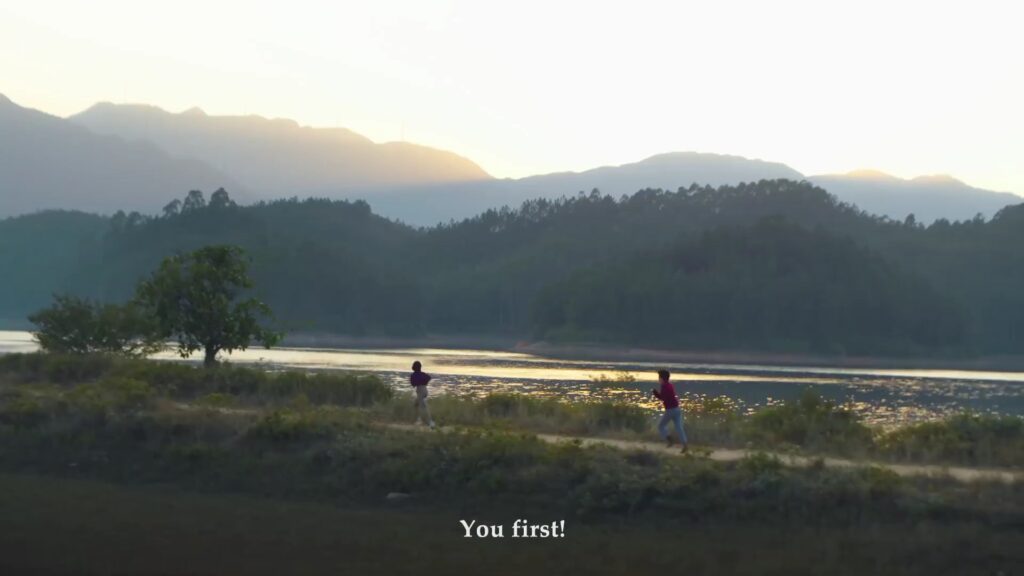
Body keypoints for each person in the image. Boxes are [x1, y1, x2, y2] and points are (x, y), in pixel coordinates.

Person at [651, 369, 687, 453]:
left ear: (662, 378)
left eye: (659, 377)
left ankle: (670, 440)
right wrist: (657, 394)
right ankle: (685, 445)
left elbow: (663, 398)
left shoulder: (665, 387)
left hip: (670, 410)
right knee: (679, 428)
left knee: (661, 426)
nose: (658, 379)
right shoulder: (670, 385)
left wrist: (655, 393)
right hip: (676, 409)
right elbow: (665, 397)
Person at [410, 360, 435, 429]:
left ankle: (430, 422)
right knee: (416, 405)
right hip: (424, 390)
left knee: (423, 406)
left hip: (420, 391)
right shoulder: (422, 374)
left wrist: (418, 383)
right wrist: (425, 383)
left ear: (414, 367)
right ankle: (419, 420)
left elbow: (413, 384)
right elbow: (429, 378)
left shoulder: (414, 375)